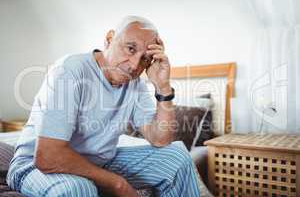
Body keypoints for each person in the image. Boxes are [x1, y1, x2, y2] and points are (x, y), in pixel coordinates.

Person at [7, 16, 201, 197]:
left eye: (144, 59)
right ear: (109, 39)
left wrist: (163, 86)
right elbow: (47, 157)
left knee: (177, 156)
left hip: (98, 162)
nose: (134, 66)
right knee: (78, 188)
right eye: (131, 49)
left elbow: (160, 140)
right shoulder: (70, 70)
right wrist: (118, 184)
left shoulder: (136, 83)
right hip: (33, 165)